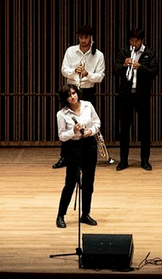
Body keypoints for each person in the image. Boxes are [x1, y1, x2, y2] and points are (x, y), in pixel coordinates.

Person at [54, 25, 106, 169]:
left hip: (88, 91)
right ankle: (64, 157)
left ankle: (87, 156)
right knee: (68, 125)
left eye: (86, 37)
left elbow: (100, 76)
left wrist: (87, 74)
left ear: (91, 38)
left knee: (87, 124)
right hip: (71, 90)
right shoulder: (71, 51)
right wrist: (74, 71)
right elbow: (64, 70)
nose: (83, 40)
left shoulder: (98, 55)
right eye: (81, 37)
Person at [55, 84, 101, 228]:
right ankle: (60, 215)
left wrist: (91, 131)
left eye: (74, 93)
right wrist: (73, 132)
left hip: (89, 145)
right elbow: (62, 136)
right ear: (65, 98)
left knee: (88, 183)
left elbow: (97, 122)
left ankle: (85, 214)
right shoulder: (62, 114)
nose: (73, 97)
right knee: (70, 183)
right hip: (73, 147)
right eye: (69, 95)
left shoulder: (88, 105)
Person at [115, 27, 159, 171]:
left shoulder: (148, 53)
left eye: (137, 40)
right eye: (132, 40)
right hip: (126, 96)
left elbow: (154, 72)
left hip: (142, 96)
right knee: (124, 130)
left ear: (142, 40)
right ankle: (123, 160)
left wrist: (140, 67)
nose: (134, 43)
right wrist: (123, 65)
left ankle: (145, 160)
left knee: (144, 129)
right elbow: (115, 70)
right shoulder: (124, 52)